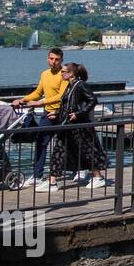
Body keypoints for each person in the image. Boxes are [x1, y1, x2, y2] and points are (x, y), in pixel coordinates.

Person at [47, 62, 110, 190]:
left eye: (63, 71)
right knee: (59, 150)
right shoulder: (69, 86)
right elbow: (66, 104)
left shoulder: (80, 85)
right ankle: (52, 181)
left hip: (80, 126)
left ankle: (98, 177)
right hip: (68, 125)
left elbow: (92, 100)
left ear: (71, 73)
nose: (61, 73)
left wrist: (79, 114)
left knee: (88, 150)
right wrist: (57, 113)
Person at [12, 47, 67, 185]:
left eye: (57, 59)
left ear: (61, 60)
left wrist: (40, 102)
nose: (53, 62)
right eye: (51, 58)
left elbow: (61, 96)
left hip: (62, 114)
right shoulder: (44, 74)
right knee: (41, 142)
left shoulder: (64, 74)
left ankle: (80, 170)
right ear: (47, 58)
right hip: (48, 114)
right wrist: (22, 100)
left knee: (68, 143)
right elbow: (38, 92)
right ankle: (37, 175)